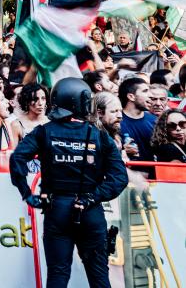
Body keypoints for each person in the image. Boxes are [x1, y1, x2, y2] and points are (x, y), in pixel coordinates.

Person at [9, 78, 128, 288]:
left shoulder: (44, 131)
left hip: (57, 209)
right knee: (99, 276)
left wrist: (27, 193)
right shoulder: (99, 136)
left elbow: (17, 158)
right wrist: (94, 196)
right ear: (84, 102)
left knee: (58, 274)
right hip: (90, 209)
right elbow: (119, 178)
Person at [119, 76, 158, 161]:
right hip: (127, 172)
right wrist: (121, 150)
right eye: (145, 91)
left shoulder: (155, 121)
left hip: (153, 172)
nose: (151, 95)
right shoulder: (116, 121)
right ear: (131, 96)